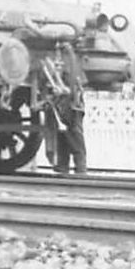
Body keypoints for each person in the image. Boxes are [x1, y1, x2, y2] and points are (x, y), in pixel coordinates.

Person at [50, 42, 88, 175]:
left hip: (71, 104)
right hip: (67, 104)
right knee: (65, 135)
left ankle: (78, 167)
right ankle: (64, 166)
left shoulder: (71, 62)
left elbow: (74, 83)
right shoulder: (72, 61)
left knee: (74, 135)